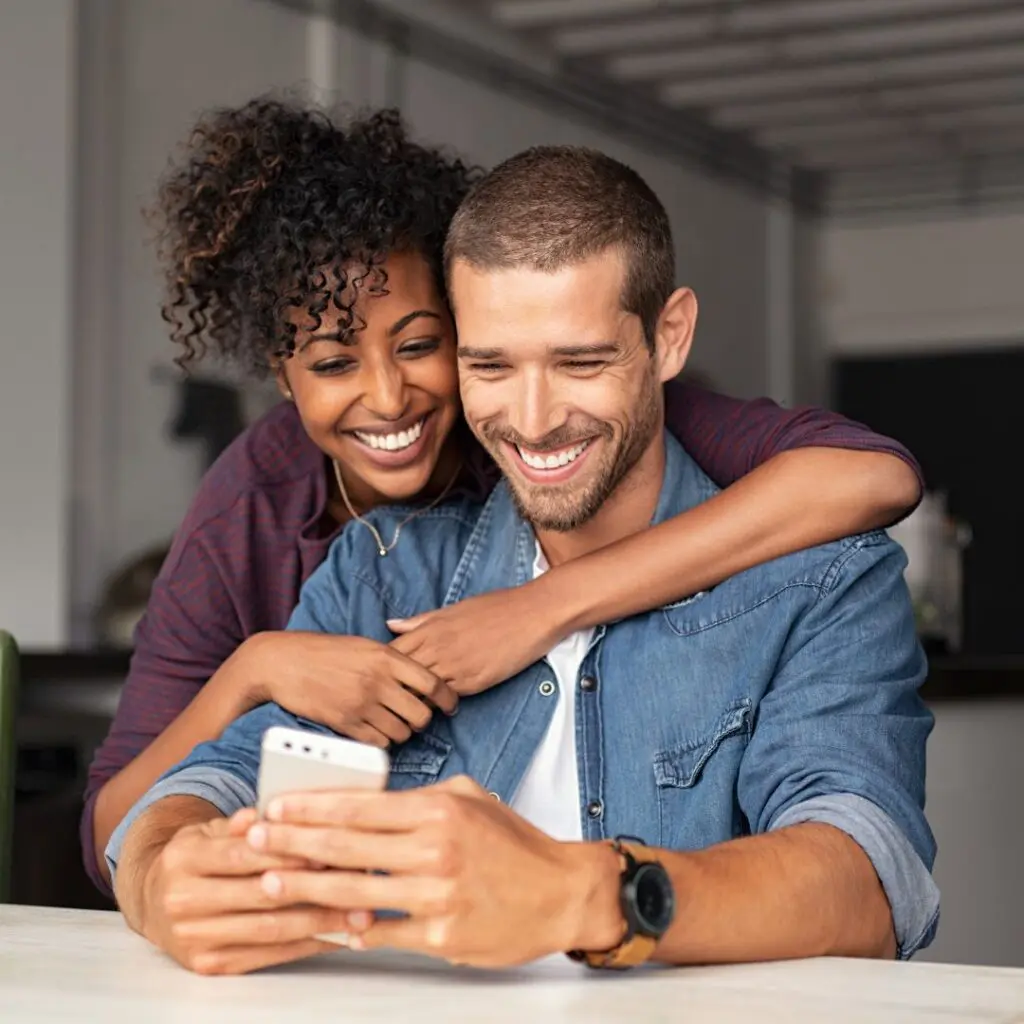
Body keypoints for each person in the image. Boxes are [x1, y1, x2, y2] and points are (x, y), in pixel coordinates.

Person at [106, 144, 937, 977]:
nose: (534, 421)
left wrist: (583, 894)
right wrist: (161, 877)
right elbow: (200, 787)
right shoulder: (380, 569)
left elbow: (865, 882)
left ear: (669, 336)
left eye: (580, 362)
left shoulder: (823, 580)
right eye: (490, 365)